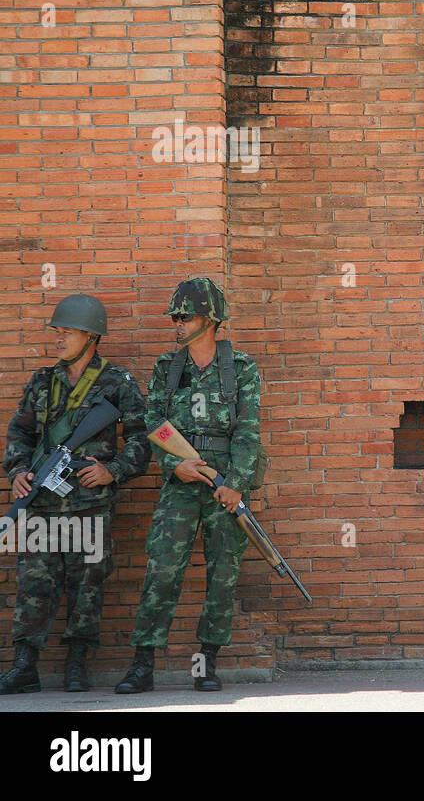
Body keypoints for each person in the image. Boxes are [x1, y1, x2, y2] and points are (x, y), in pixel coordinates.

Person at [115, 278, 262, 694]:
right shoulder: (167, 367)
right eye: (175, 317)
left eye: (185, 316)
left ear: (210, 319)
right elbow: (153, 424)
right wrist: (171, 466)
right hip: (181, 481)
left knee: (222, 574)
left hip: (224, 483)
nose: (177, 323)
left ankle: (205, 664)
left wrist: (235, 484)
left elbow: (249, 431)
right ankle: (142, 665)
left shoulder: (242, 367)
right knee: (162, 570)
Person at [1, 295, 150, 693]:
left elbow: (142, 439)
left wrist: (111, 471)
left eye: (67, 331)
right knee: (33, 583)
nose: (59, 338)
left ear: (91, 336)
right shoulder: (42, 381)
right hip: (42, 503)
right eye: (58, 331)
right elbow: (20, 434)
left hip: (90, 505)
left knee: (87, 584)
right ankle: (25, 665)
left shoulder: (118, 383)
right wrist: (17, 473)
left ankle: (77, 666)